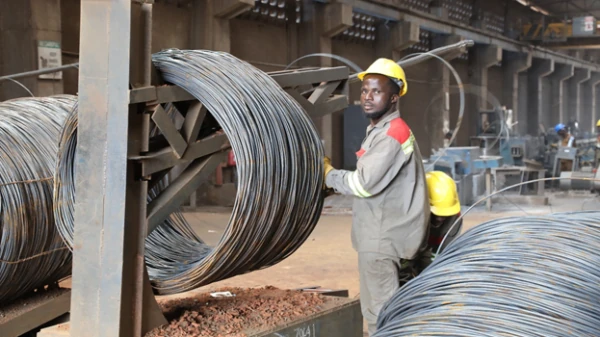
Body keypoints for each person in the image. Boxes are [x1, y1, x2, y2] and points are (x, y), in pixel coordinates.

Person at [322, 58, 430, 336]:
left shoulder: (392, 133)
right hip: (381, 233)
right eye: (364, 91)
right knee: (375, 310)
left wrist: (328, 174)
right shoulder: (380, 131)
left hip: (383, 238)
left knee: (382, 314)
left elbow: (363, 184)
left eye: (376, 91)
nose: (367, 97)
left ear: (394, 98)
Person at [425, 171, 463, 258]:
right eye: (436, 214)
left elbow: (447, 249)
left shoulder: (454, 219)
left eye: (445, 215)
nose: (440, 219)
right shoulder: (410, 218)